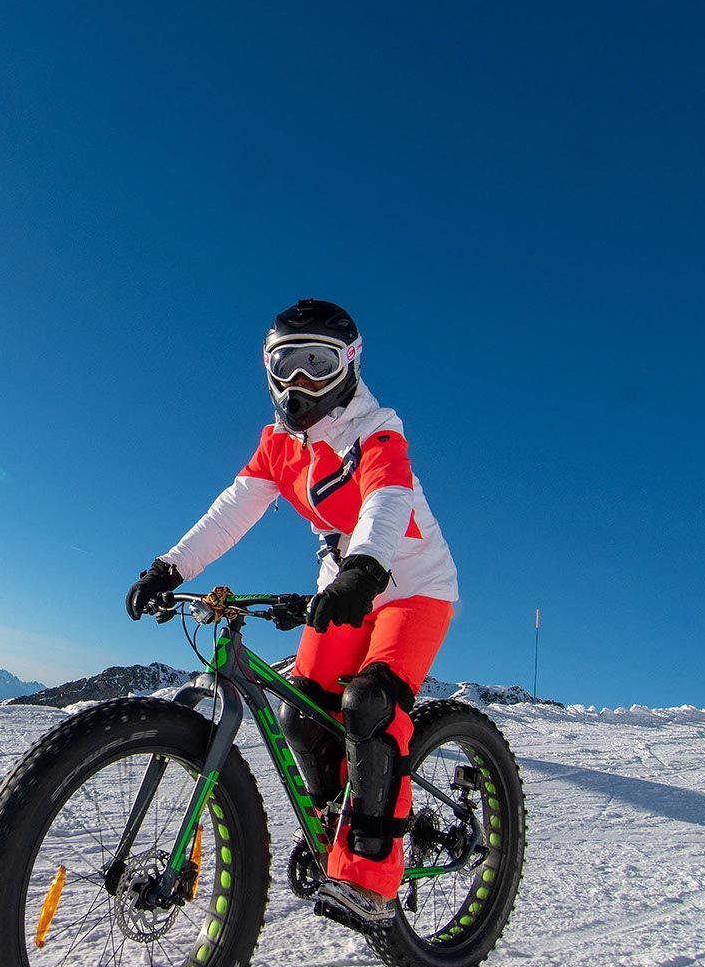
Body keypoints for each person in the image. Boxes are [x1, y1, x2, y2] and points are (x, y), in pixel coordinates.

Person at [125, 299, 458, 925]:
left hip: (410, 584)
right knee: (300, 714)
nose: (298, 383)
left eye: (316, 364)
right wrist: (171, 566)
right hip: (344, 583)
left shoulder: (377, 430)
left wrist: (365, 567)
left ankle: (372, 875)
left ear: (348, 365)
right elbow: (232, 510)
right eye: (286, 365)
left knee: (370, 705)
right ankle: (342, 825)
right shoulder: (279, 445)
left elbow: (386, 501)